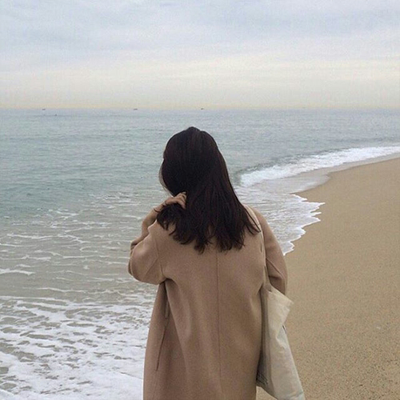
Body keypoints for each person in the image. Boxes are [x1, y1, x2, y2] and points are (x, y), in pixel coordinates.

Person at [128, 127, 288, 400]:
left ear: (175, 173)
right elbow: (278, 279)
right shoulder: (252, 222)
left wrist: (153, 218)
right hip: (241, 361)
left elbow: (138, 266)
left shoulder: (169, 230)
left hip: (182, 371)